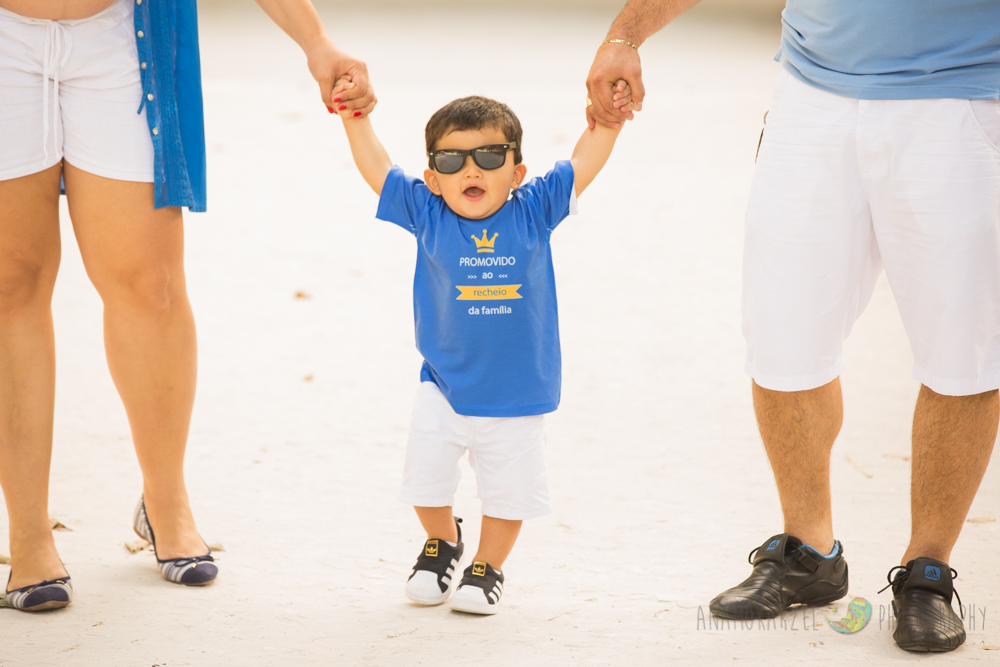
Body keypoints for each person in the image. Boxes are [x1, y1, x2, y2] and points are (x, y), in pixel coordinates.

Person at [586, 0, 1000, 653]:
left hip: (964, 103)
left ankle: (927, 570)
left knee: (963, 351)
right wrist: (626, 33)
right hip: (814, 97)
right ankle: (809, 551)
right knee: (781, 336)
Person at [0, 0, 373, 611]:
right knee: (10, 285)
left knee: (151, 283)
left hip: (119, 33)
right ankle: (29, 534)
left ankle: (165, 500)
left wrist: (316, 40)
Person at [332, 85, 632, 614]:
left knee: (507, 495)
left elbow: (585, 159)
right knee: (424, 484)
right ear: (433, 178)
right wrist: (354, 117)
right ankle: (443, 542)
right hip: (442, 386)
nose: (472, 170)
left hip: (516, 394)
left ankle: (486, 567)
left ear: (517, 172)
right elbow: (376, 166)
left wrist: (608, 122)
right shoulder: (427, 213)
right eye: (452, 159)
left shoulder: (535, 209)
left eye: (490, 157)